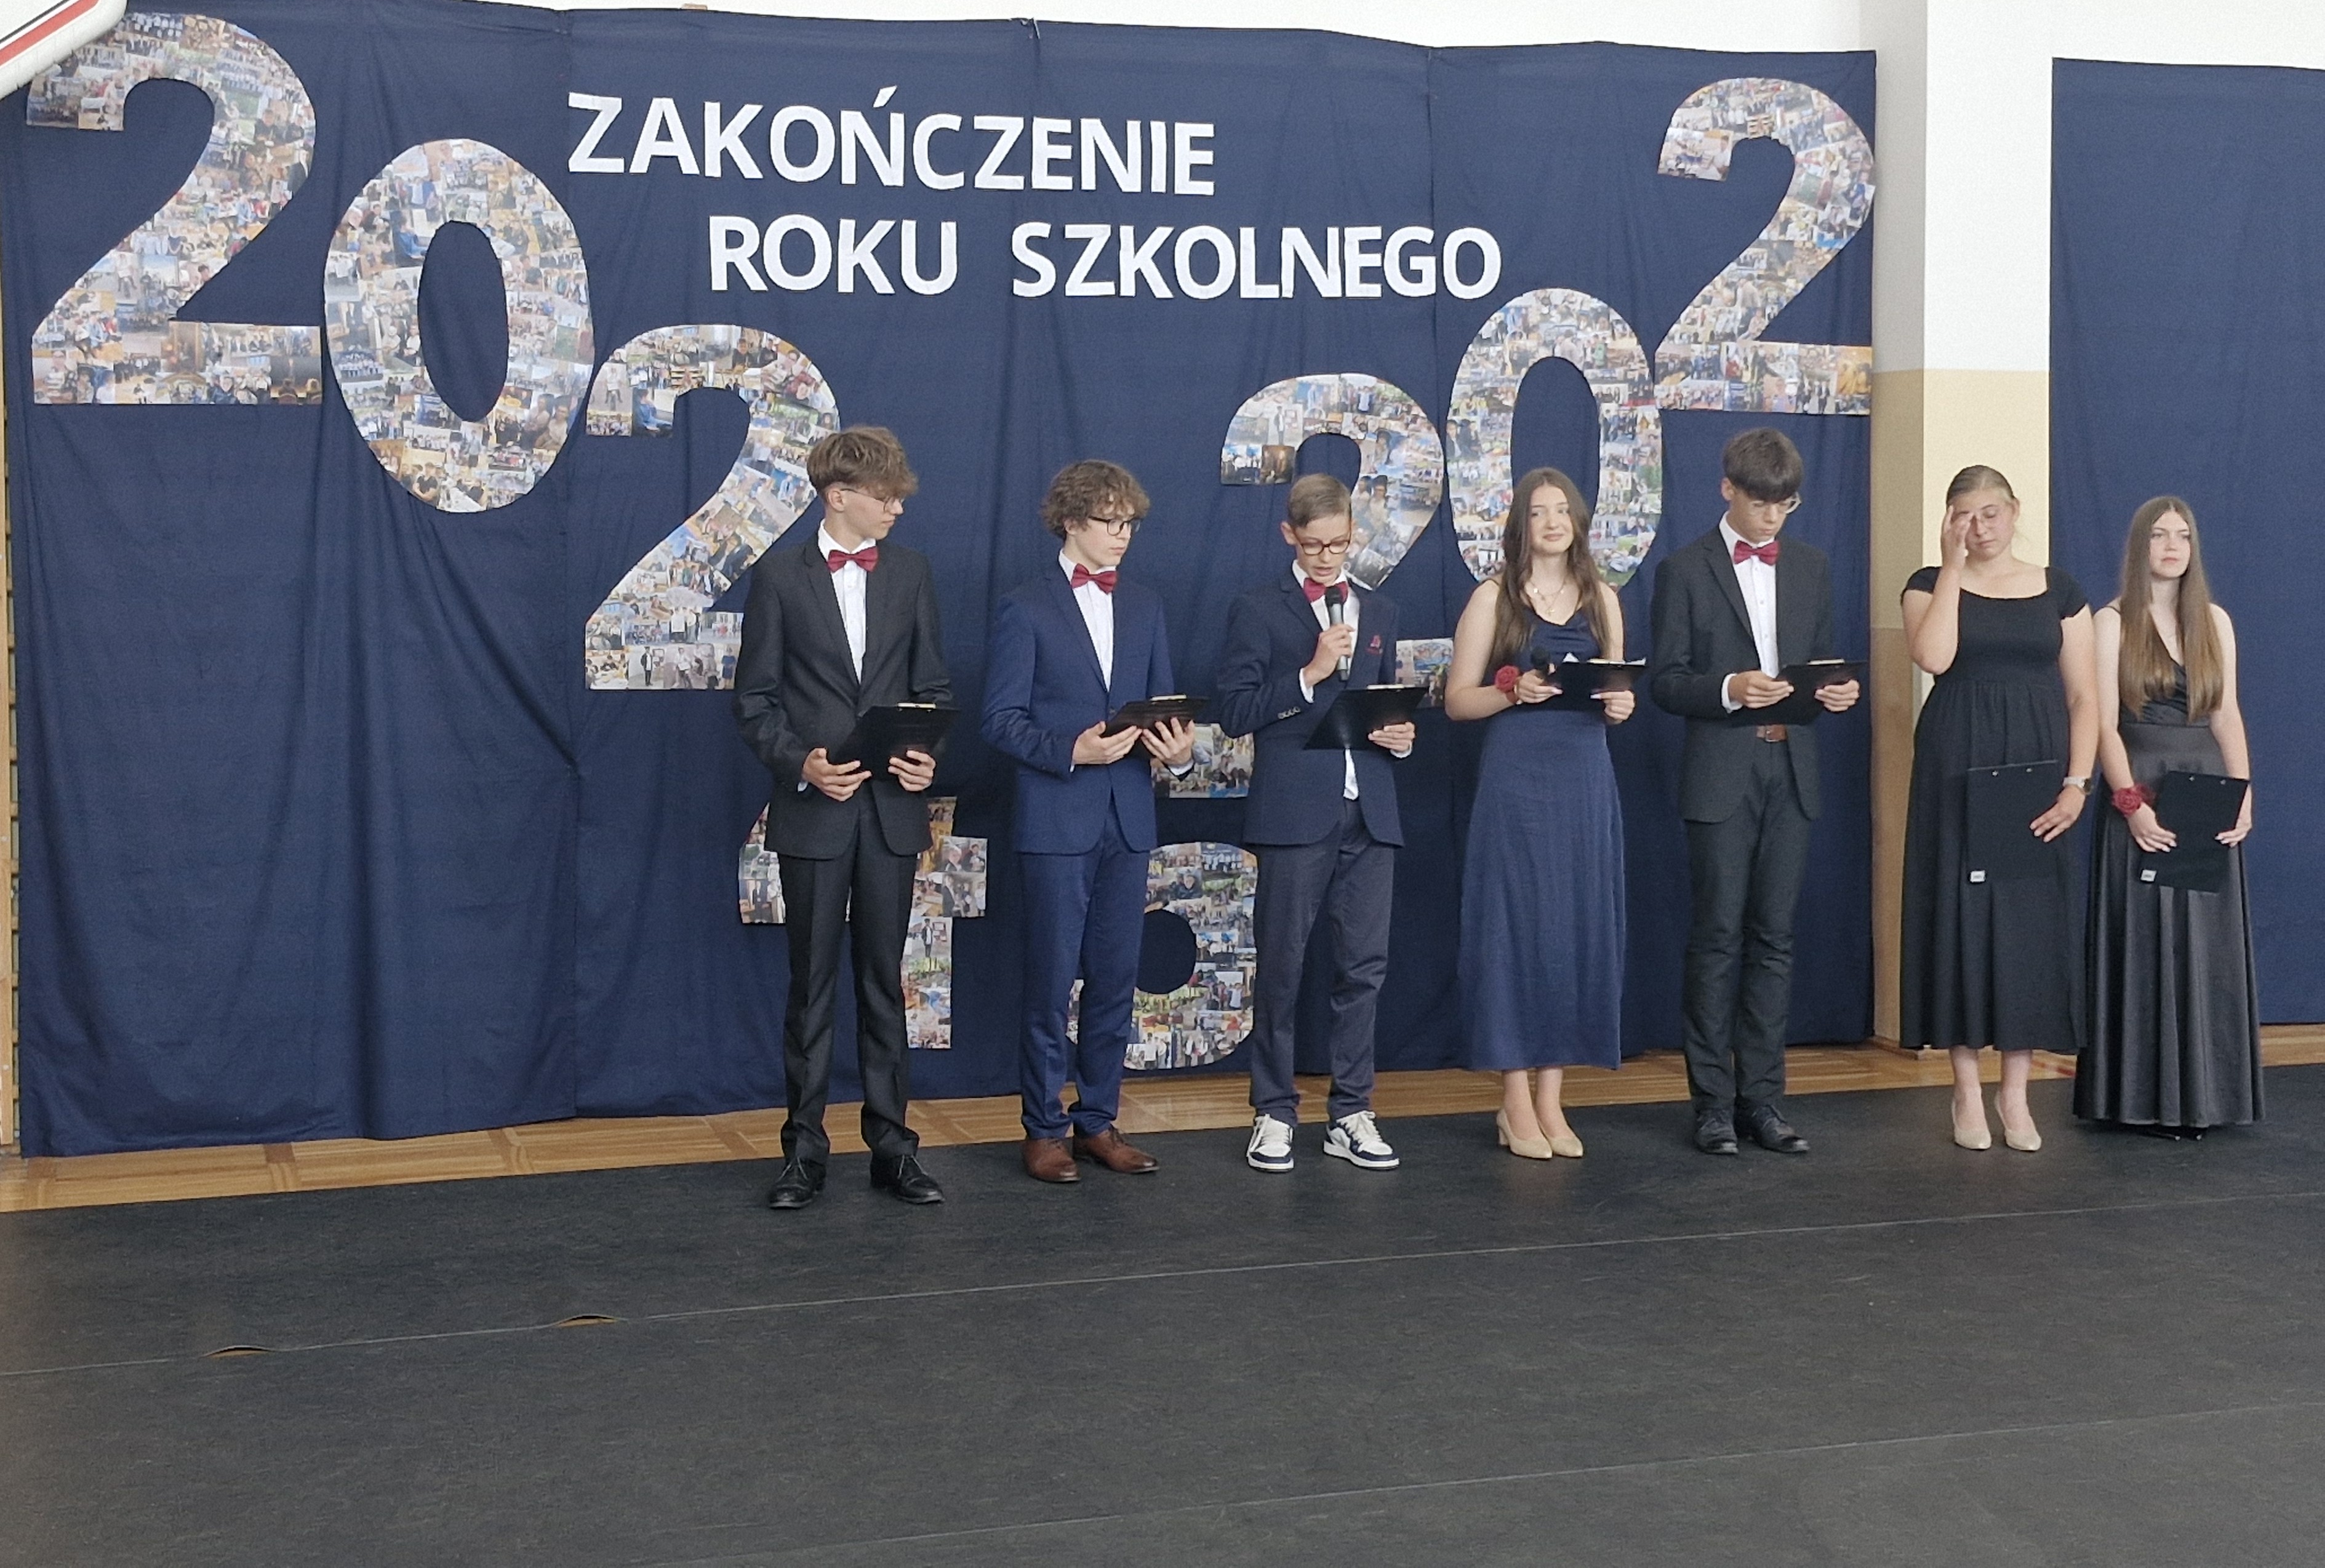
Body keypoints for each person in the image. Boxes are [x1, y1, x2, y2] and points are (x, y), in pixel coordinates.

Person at [734, 426, 951, 1209]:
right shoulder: (778, 577)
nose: (898, 508)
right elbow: (755, 701)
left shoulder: (913, 573)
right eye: (885, 496)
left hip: (891, 813)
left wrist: (924, 756)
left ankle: (893, 1149)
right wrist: (804, 765)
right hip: (814, 814)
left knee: (885, 984)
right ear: (838, 496)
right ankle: (803, 1152)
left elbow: (933, 690)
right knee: (812, 987)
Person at [983, 460, 1196, 1184]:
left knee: (1115, 978)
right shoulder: (1025, 607)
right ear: (1071, 521)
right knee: (1050, 982)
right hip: (1056, 816)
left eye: (1130, 523)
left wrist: (1178, 752)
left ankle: (1098, 1120)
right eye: (1110, 522)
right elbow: (999, 720)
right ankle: (1043, 1128)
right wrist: (1069, 750)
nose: (1122, 536)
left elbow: (1163, 709)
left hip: (1128, 816)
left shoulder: (1146, 605)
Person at [1649, 428, 1860, 1157]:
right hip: (1721, 770)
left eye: (1786, 504)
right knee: (1716, 936)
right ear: (1727, 490)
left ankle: (1763, 1100)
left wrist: (1835, 691)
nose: (1773, 517)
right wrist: (1729, 688)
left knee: (1775, 938)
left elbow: (1821, 664)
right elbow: (1665, 682)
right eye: (1762, 502)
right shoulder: (1684, 569)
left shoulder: (1811, 566)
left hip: (1791, 767)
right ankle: (1711, 1103)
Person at [1214, 473, 1414, 1174]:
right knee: (1282, 965)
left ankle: (1351, 1110)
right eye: (1314, 545)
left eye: (1340, 544)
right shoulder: (1256, 608)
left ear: (1353, 533)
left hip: (1371, 808)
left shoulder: (1379, 607)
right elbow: (1234, 712)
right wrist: (1309, 672)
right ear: (1289, 536)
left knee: (1364, 967)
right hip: (1294, 814)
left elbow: (1382, 701)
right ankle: (1273, 1110)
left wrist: (1399, 735)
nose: (1329, 557)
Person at [1900, 465, 2100, 1152]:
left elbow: (2084, 696)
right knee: (1958, 916)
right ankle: (1964, 1088)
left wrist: (2077, 783)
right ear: (1948, 519)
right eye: (1964, 514)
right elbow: (1933, 657)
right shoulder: (1928, 582)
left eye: (1990, 512)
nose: (1979, 526)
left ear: (2014, 511)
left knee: (2026, 925)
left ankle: (2015, 1093)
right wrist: (1953, 567)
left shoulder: (2060, 589)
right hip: (1956, 764)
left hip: (2035, 771)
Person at [1444, 468, 1635, 1158]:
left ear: (1578, 521)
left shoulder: (1603, 599)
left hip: (1584, 779)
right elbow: (1457, 701)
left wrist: (1621, 704)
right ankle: (1514, 1099)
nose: (1553, 522)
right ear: (1520, 525)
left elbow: (1616, 690)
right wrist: (1511, 692)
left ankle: (1552, 1097)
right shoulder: (1492, 597)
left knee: (1571, 930)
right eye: (1538, 511)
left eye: (1562, 510)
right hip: (1518, 782)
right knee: (1516, 930)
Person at [2079, 497, 2260, 1135]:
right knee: (2145, 937)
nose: (2173, 545)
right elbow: (2103, 723)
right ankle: (2139, 1096)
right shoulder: (2111, 622)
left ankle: (2208, 1097)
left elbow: (2225, 714)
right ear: (2140, 546)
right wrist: (2129, 802)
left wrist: (2241, 790)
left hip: (2204, 789)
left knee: (2204, 942)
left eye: (2183, 535)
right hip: (2141, 787)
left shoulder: (2215, 621)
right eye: (2159, 535)